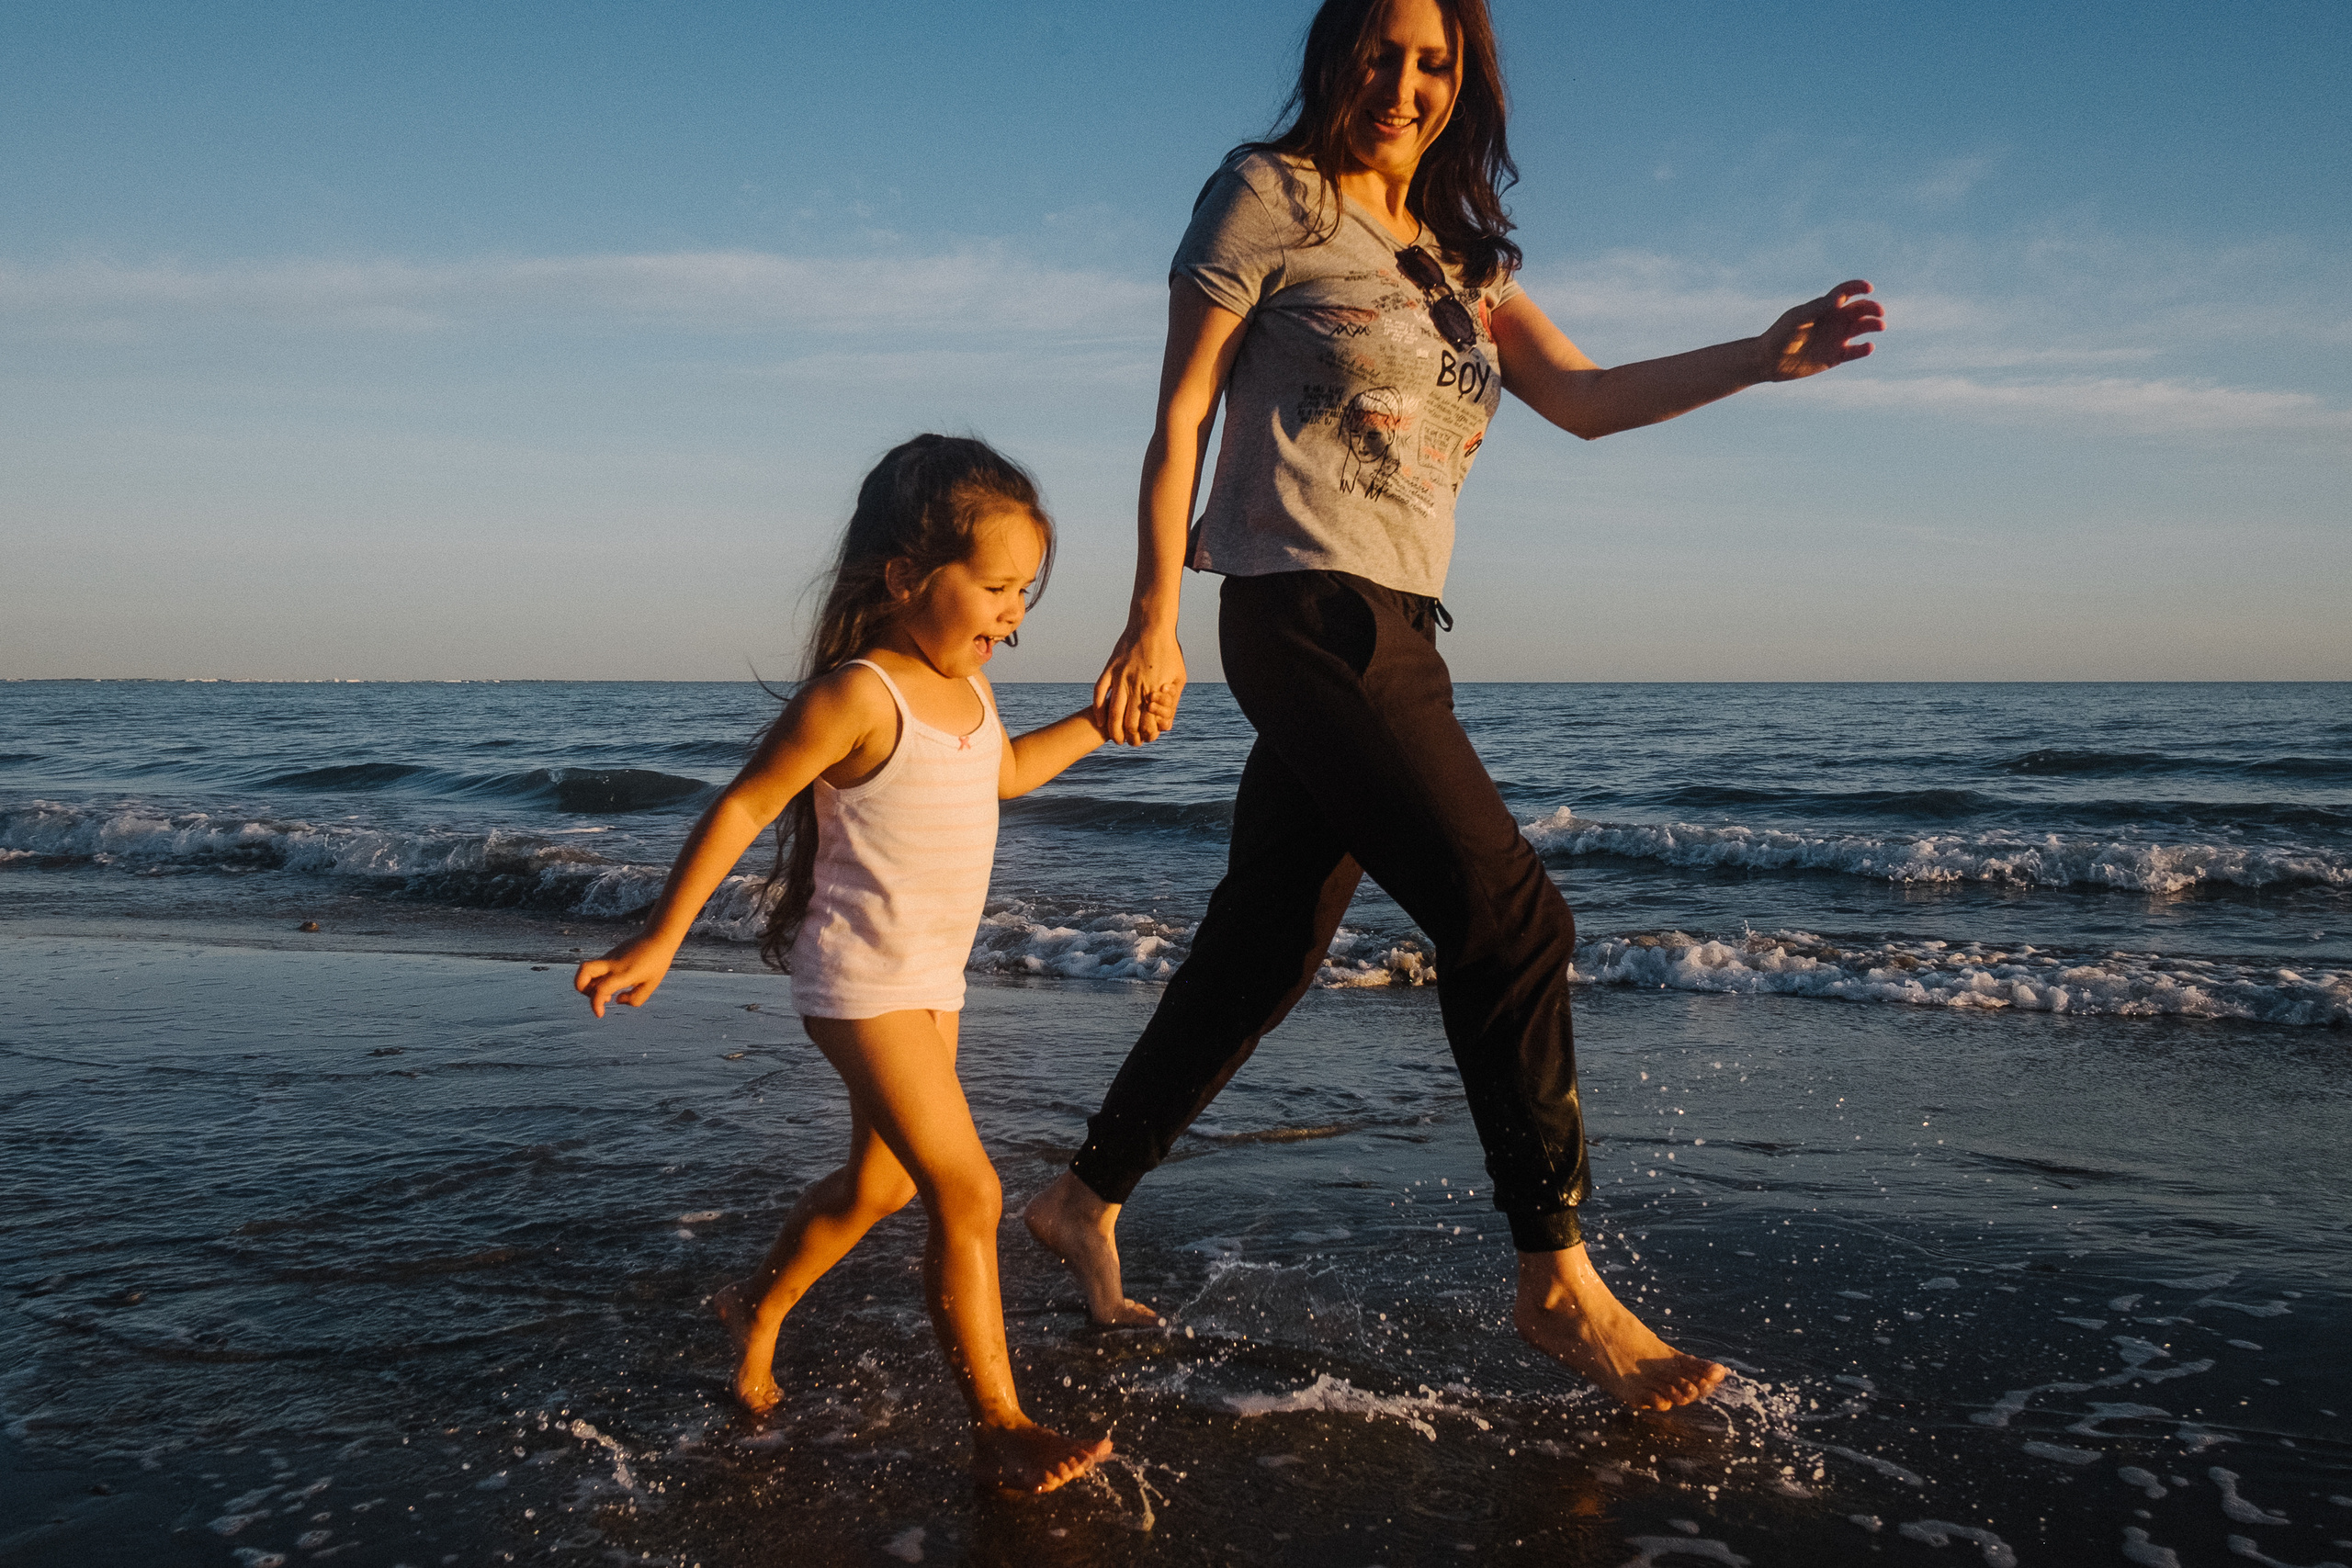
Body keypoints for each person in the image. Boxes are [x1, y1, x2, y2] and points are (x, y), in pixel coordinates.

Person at [1023, 0, 1883, 1412]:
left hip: (1402, 620)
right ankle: (1557, 1277)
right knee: (1509, 915)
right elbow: (1182, 415)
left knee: (1267, 940)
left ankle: (1082, 1195)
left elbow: (1585, 398)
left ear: (1464, 82)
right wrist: (1149, 617)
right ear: (1335, 53)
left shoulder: (1464, 261)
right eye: (1383, 50)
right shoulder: (1270, 196)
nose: (1405, 82)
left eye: (1436, 62)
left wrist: (1757, 355)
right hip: (1300, 609)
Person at [574, 434, 1164, 1493]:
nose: (1012, 616)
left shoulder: (968, 691)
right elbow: (744, 806)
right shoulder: (857, 696)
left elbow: (1001, 773)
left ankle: (754, 1308)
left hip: (931, 981)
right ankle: (999, 1424)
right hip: (858, 984)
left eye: (1023, 593)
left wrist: (1094, 723)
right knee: (968, 1190)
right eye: (995, 588)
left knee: (877, 1186)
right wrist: (660, 934)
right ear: (904, 576)